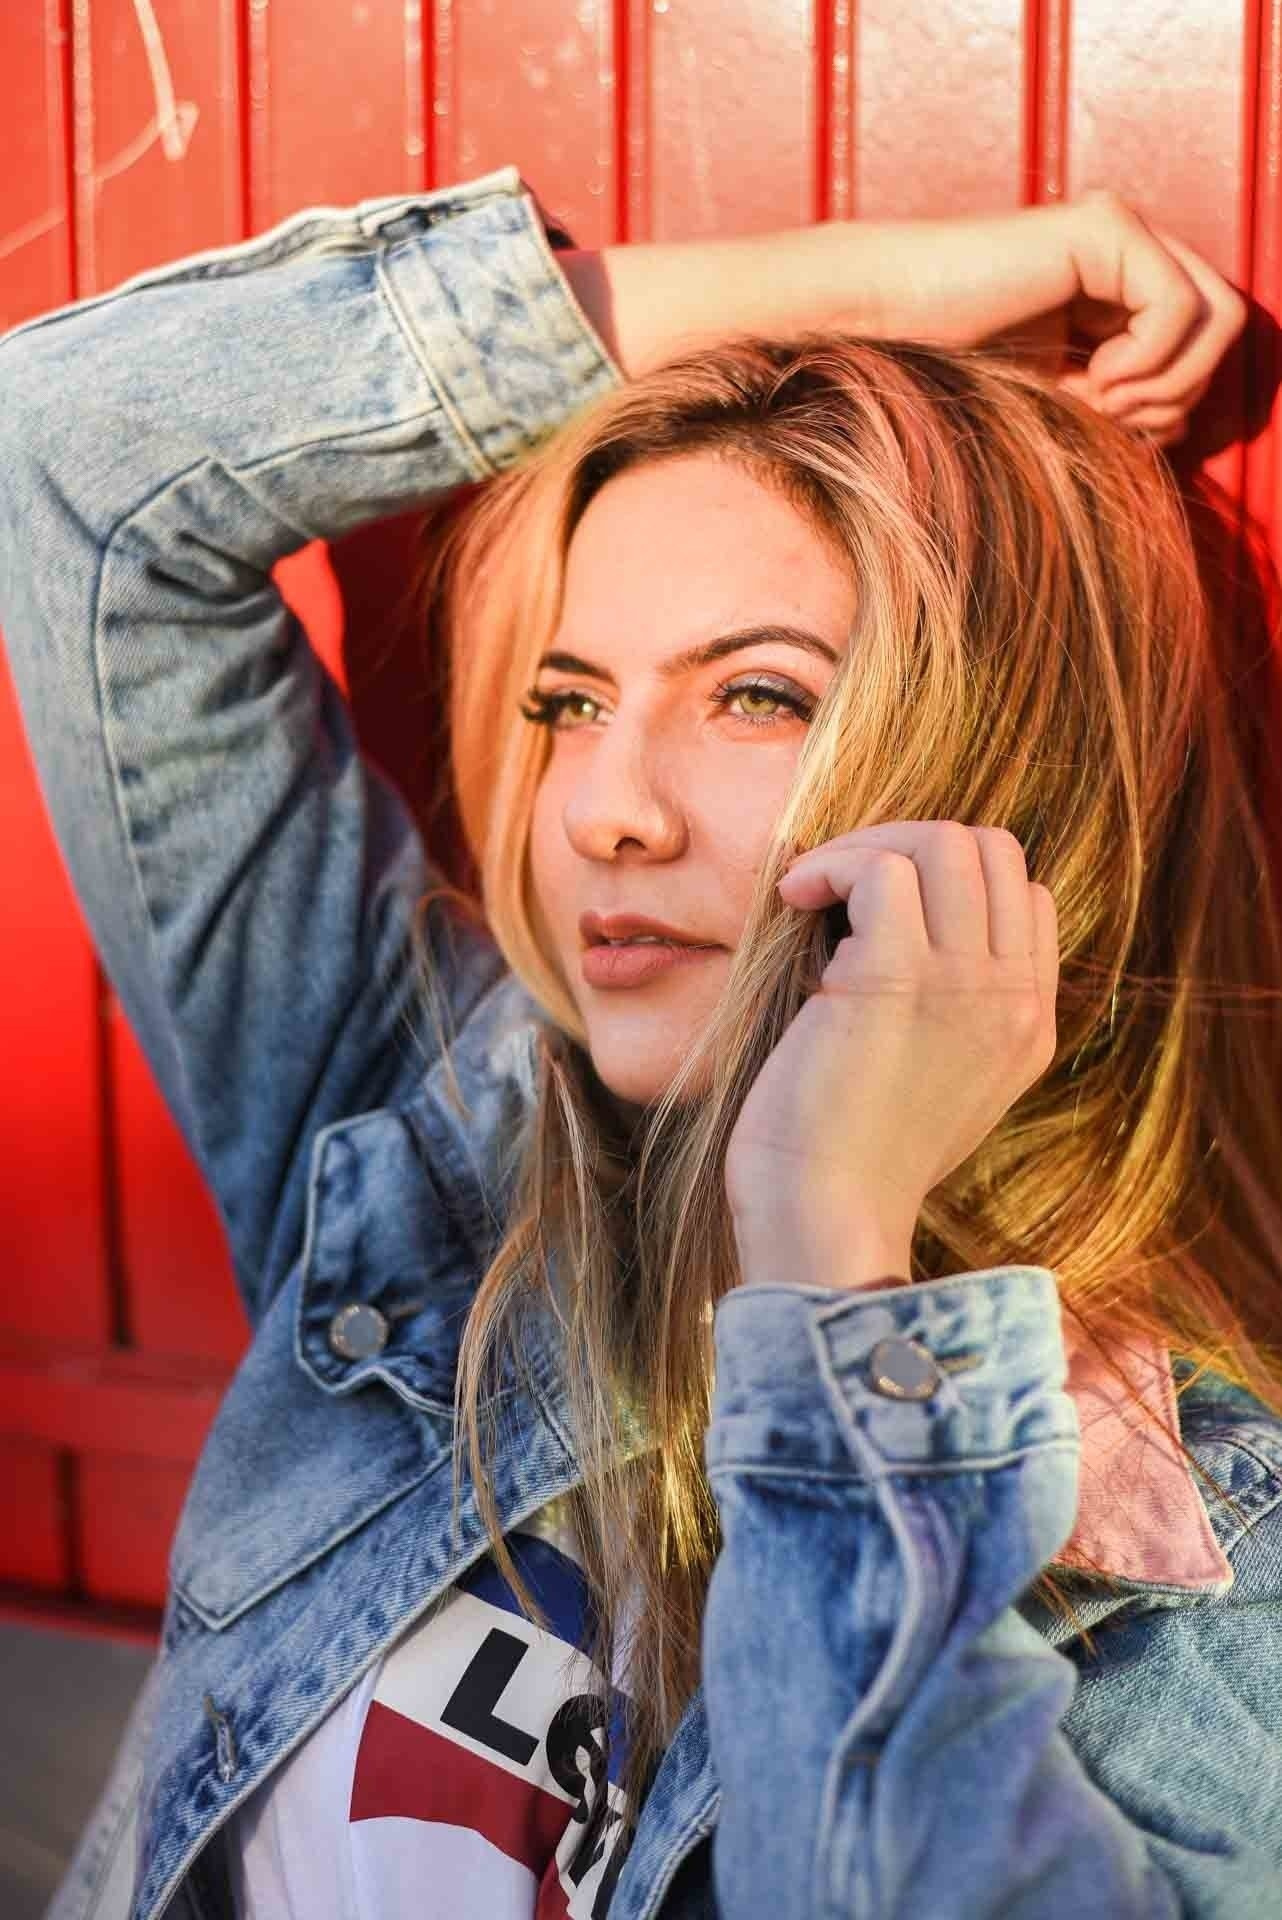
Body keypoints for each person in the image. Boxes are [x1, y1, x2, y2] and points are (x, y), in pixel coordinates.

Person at [0, 162, 1276, 1920]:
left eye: (755, 694)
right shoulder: (425, 1141)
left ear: (1008, 766)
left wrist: (827, 1249)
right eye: (570, 699)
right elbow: (82, 458)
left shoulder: (1195, 1573)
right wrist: (871, 290)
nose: (604, 809)